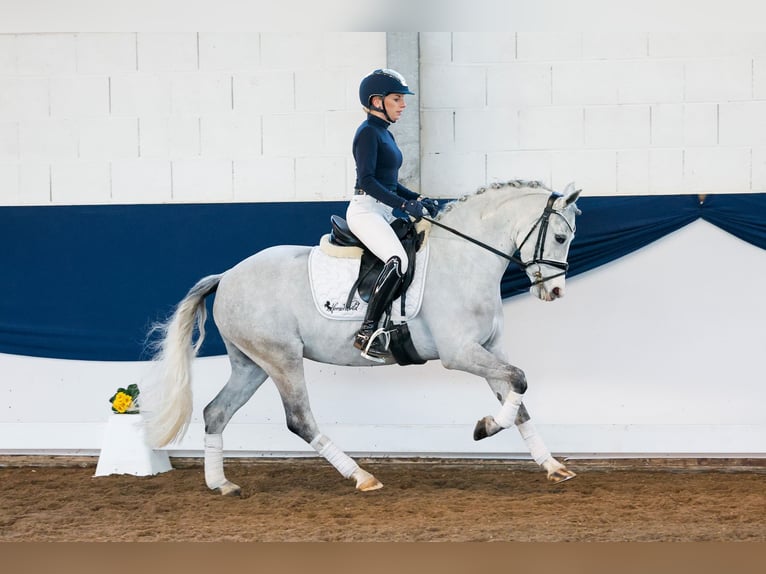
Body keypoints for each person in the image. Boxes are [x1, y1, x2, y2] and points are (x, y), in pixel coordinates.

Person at [346, 68, 438, 360]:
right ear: (377, 101)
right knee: (396, 260)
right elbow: (369, 181)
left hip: (384, 208)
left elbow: (390, 182)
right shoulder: (367, 134)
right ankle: (366, 331)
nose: (403, 104)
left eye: (402, 99)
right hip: (366, 211)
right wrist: (402, 205)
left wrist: (416, 198)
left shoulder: (384, 133)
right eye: (397, 99)